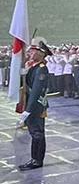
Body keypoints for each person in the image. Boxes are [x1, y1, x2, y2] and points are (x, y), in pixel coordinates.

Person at [16, 40, 52, 171]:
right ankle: (34, 158)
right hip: (31, 104)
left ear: (41, 54)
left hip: (36, 106)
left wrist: (28, 110)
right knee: (34, 133)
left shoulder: (41, 69)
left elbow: (36, 91)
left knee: (37, 133)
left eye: (33, 51)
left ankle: (37, 160)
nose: (30, 53)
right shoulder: (34, 67)